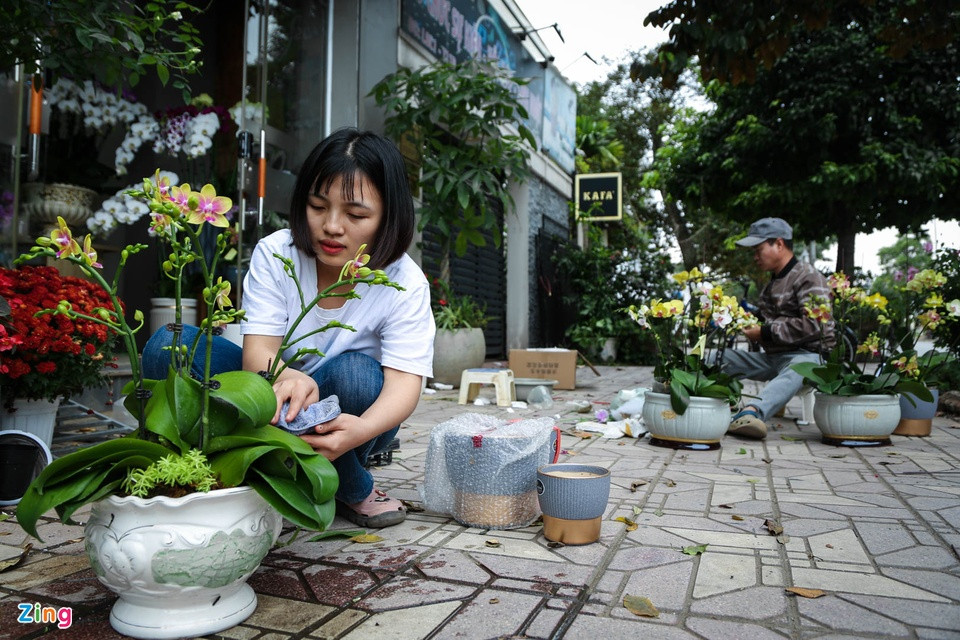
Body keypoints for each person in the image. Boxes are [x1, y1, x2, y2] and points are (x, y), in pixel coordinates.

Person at [143, 128, 435, 527]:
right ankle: (338, 484)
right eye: (318, 206)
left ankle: (339, 475)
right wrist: (284, 376)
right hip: (268, 395)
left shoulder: (405, 281)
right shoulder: (277, 252)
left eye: (356, 215)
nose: (332, 227)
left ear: (389, 217)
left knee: (357, 375)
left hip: (347, 416)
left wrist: (361, 429)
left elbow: (404, 385)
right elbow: (257, 356)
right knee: (169, 345)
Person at [724, 217, 835, 439]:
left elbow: (817, 324)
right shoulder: (770, 285)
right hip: (773, 358)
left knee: (799, 367)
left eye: (758, 249)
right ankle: (705, 403)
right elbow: (764, 321)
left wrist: (764, 332)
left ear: (779, 244)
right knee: (717, 358)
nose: (755, 257)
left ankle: (752, 413)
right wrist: (740, 320)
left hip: (808, 358)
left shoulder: (808, 277)